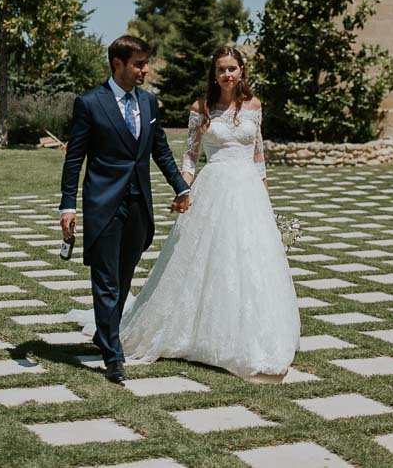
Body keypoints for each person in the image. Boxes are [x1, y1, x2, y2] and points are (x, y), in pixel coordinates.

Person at [119, 44, 300, 381]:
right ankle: (196, 331)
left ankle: (252, 335)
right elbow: (190, 156)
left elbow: (258, 157)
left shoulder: (254, 106)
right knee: (206, 261)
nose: (227, 75)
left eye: (232, 68)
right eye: (221, 70)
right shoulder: (201, 108)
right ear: (213, 74)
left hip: (248, 192)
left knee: (249, 262)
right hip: (212, 187)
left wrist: (267, 203)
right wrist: (183, 189)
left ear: (241, 70)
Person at [58, 35, 190, 384]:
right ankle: (113, 355)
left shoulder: (148, 103)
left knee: (123, 276)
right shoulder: (89, 103)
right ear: (117, 64)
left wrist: (181, 186)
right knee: (106, 282)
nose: (144, 70)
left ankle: (105, 334)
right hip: (103, 205)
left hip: (138, 205)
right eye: (139, 64)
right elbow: (75, 160)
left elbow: (159, 150)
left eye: (145, 63)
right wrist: (67, 206)